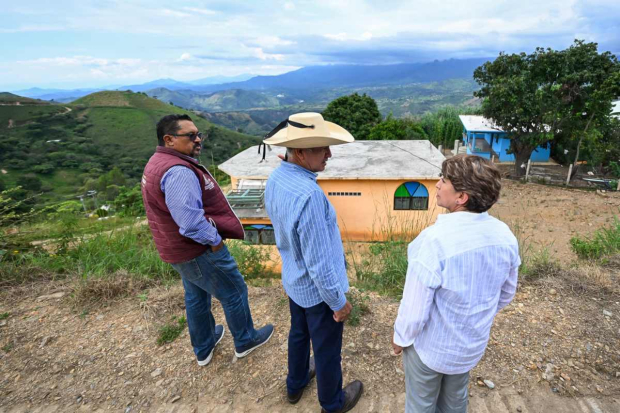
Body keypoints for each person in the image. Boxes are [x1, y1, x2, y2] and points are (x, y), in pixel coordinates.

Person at [141, 114, 273, 367]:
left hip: (176, 250)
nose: (198, 139)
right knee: (233, 291)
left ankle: (204, 346)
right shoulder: (178, 171)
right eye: (191, 136)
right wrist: (215, 242)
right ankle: (246, 340)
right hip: (197, 250)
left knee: (196, 295)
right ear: (169, 139)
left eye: (198, 134)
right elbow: (190, 222)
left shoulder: (157, 162)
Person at [392, 154, 520, 413]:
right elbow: (506, 293)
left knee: (420, 404)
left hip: (431, 349)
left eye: (444, 180)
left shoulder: (433, 240)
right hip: (470, 347)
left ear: (461, 197)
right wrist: (473, 314)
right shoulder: (505, 236)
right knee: (455, 401)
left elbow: (414, 310)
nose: (437, 184)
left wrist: (400, 338)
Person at [264, 113, 364, 413]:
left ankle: (295, 385)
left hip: (295, 281)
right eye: (322, 149)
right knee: (327, 350)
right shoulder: (309, 195)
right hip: (319, 293)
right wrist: (338, 302)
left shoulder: (276, 178)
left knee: (298, 334)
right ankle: (332, 403)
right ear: (300, 152)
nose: (329, 154)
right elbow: (319, 263)